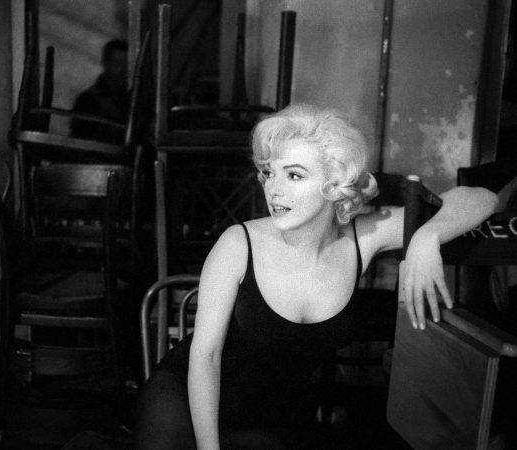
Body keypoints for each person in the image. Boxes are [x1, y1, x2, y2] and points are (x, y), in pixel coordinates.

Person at [133, 103, 499, 450]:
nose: (273, 188)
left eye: (294, 175)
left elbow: (483, 197)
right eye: (269, 172)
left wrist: (426, 238)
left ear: (335, 184)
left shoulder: (363, 238)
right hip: (188, 404)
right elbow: (206, 357)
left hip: (273, 420)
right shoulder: (238, 243)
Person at [71, 39, 129, 144]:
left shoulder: (130, 99)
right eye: (118, 63)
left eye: (126, 64)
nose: (123, 70)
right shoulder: (88, 100)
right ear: (106, 64)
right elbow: (79, 141)